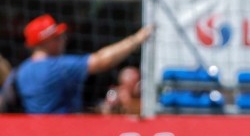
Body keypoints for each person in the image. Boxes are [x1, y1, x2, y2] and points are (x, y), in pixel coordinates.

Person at [15, 14, 152, 114]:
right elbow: (102, 61)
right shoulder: (57, 67)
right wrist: (137, 39)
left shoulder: (22, 71)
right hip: (62, 132)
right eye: (57, 37)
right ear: (46, 41)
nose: (63, 40)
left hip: (36, 132)